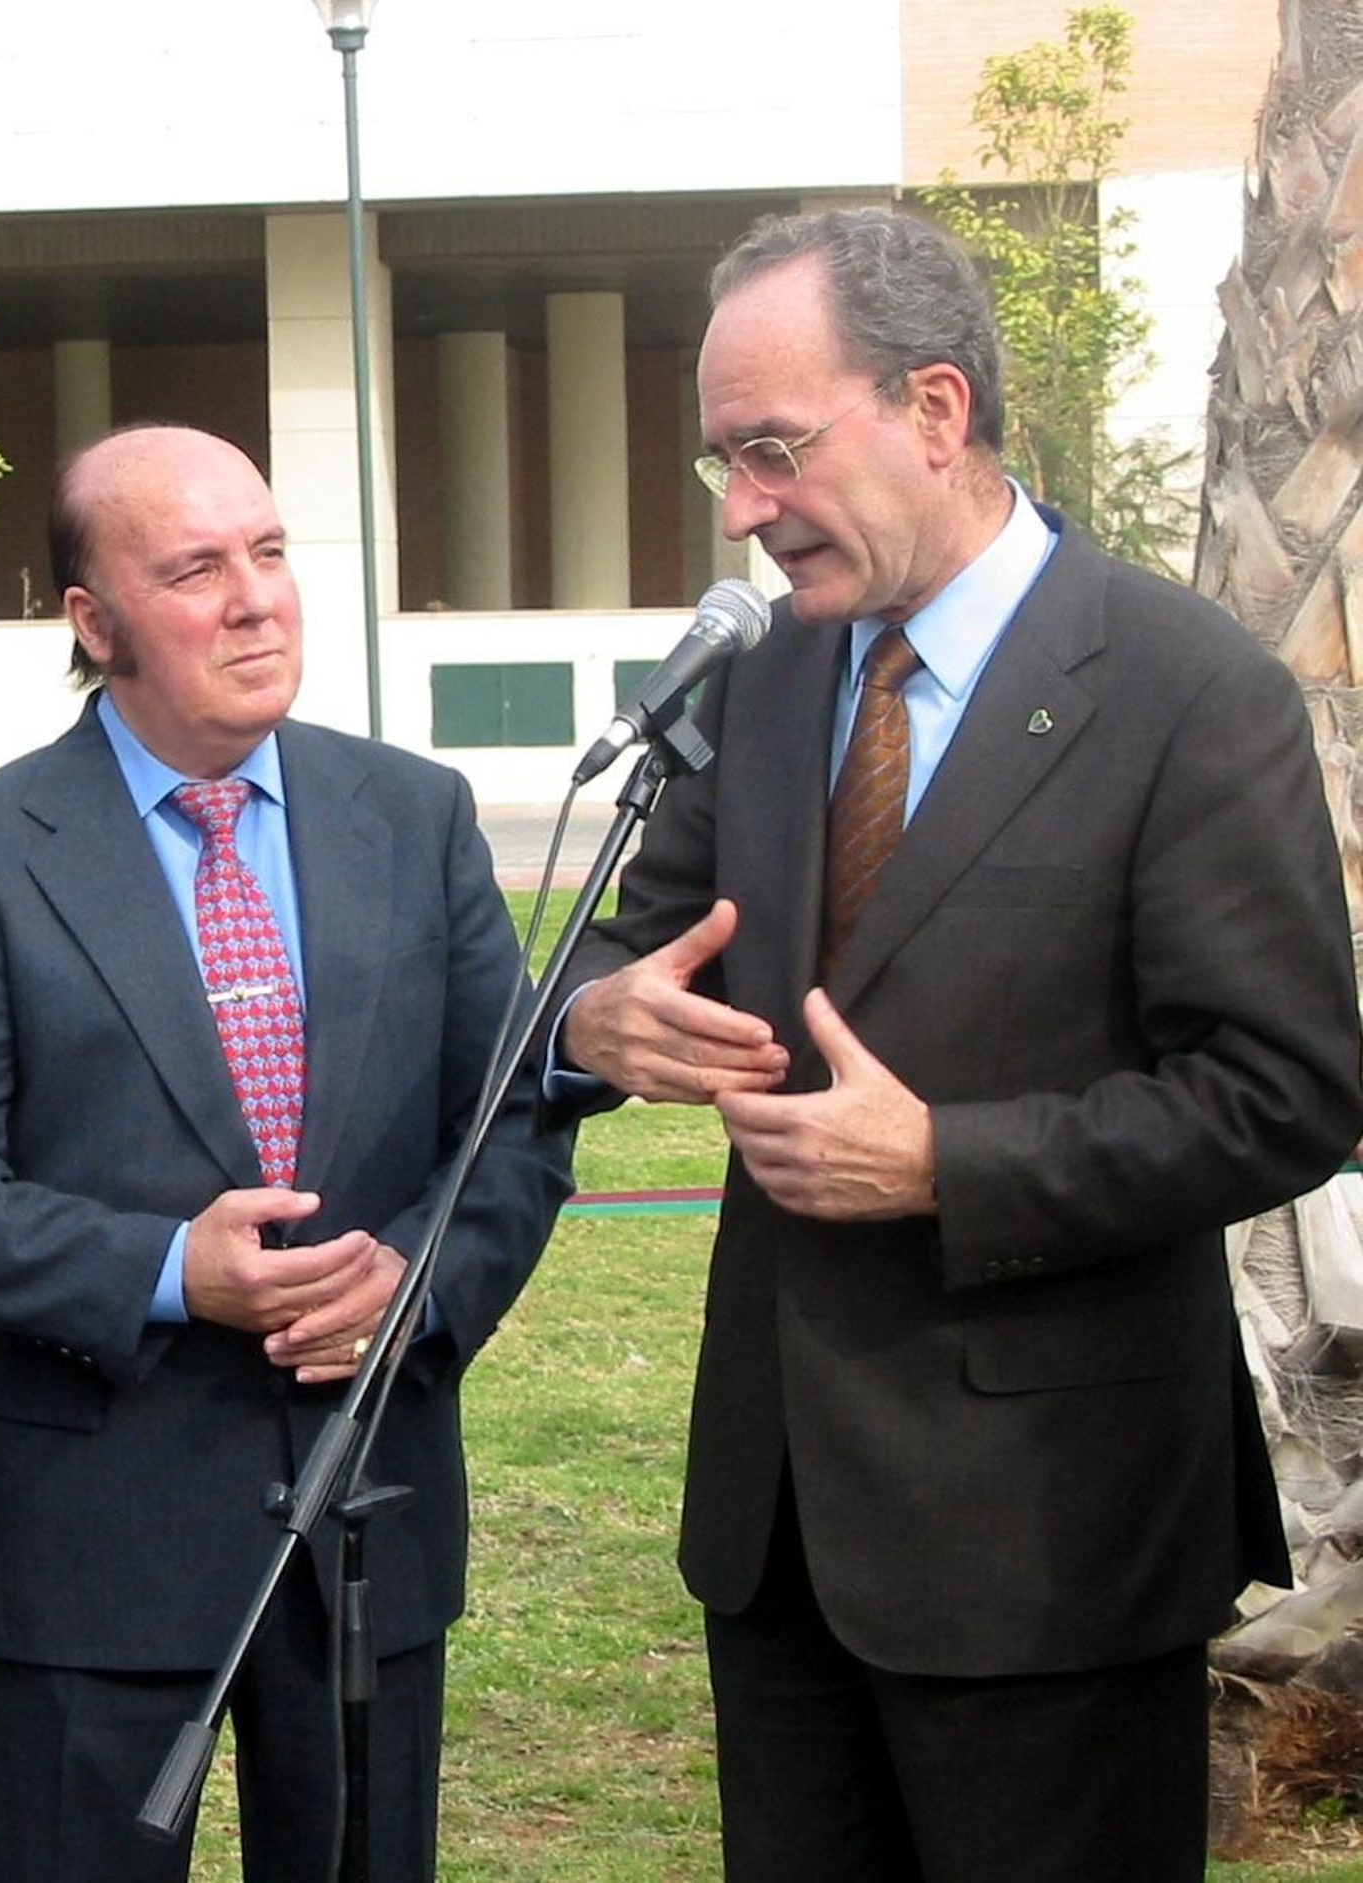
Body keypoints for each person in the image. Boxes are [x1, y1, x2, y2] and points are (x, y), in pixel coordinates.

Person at [550, 207, 1363, 1880]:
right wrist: (596, 1009)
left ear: (935, 409)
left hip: (1052, 1540)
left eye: (773, 452)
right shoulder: (765, 682)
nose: (746, 509)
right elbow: (655, 931)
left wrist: (948, 1164)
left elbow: (1284, 1092)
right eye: (723, 464)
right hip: (776, 1530)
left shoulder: (1187, 689)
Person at [0, 423, 574, 1883]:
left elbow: (513, 1126)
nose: (255, 598)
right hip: (97, 1548)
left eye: (271, 551)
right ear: (94, 623)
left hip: (369, 1526)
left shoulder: (412, 818)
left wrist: (414, 1290)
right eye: (195, 569)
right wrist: (172, 1270)